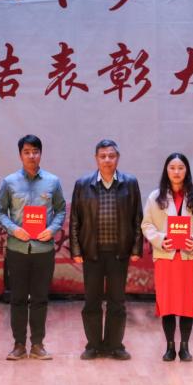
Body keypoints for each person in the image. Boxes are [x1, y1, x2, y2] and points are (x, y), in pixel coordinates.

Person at [69, 139, 143, 360]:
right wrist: (76, 250)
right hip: (92, 253)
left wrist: (136, 248)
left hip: (119, 253)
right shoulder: (83, 184)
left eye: (111, 156)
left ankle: (115, 345)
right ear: (96, 159)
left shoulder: (130, 183)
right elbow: (75, 220)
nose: (107, 160)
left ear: (117, 158)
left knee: (117, 301)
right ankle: (93, 345)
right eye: (103, 156)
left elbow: (137, 218)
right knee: (92, 300)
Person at [0, 134, 67, 361]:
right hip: (18, 249)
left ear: (40, 154)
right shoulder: (9, 182)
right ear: (20, 155)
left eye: (35, 151)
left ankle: (37, 344)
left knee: (40, 298)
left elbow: (61, 210)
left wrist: (52, 229)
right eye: (26, 152)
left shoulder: (53, 181)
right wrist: (13, 229)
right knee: (17, 298)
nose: (31, 156)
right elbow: (0, 211)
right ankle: (18, 345)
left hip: (43, 250)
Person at [141, 153, 193, 362]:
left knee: (187, 303)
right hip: (166, 257)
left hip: (188, 258)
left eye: (181, 168)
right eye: (172, 168)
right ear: (166, 170)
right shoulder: (156, 197)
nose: (177, 172)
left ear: (186, 170)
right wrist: (161, 239)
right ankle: (170, 346)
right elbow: (146, 225)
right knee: (168, 303)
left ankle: (185, 347)